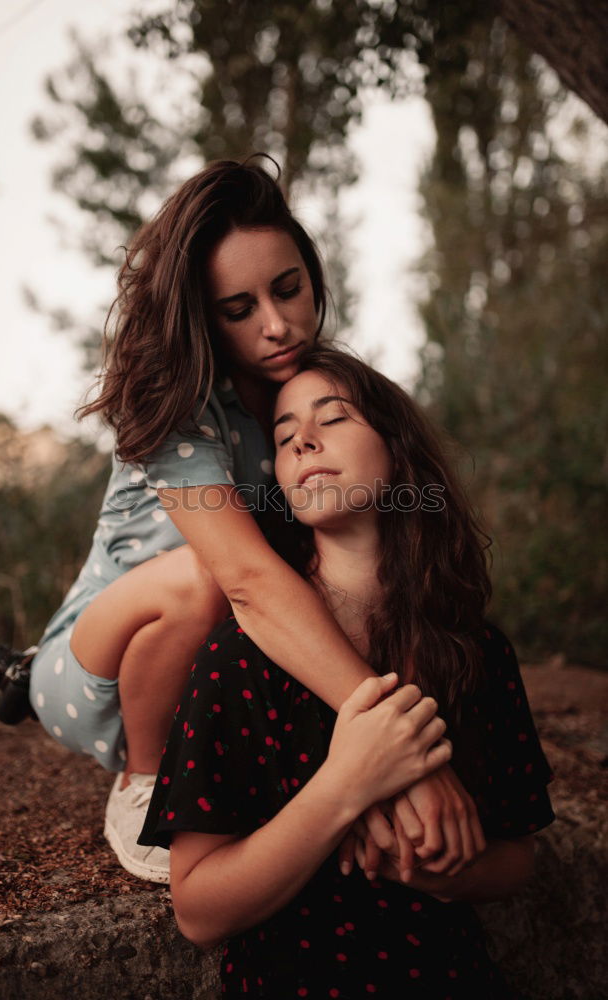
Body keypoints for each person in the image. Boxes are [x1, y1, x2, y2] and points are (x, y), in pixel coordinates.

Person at [29, 157, 483, 886]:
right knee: (221, 572)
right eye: (238, 310)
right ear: (202, 316)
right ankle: (142, 783)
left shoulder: (303, 396)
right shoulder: (178, 405)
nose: (277, 325)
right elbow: (246, 579)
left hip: (219, 672)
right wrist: (397, 751)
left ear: (312, 272)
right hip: (105, 666)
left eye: (289, 289)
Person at [139, 346, 555, 998]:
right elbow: (198, 912)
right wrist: (343, 789)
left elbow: (518, 856)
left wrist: (449, 874)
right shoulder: (236, 659)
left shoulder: (476, 650)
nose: (303, 440)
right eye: (282, 436)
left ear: (397, 451)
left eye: (332, 419)